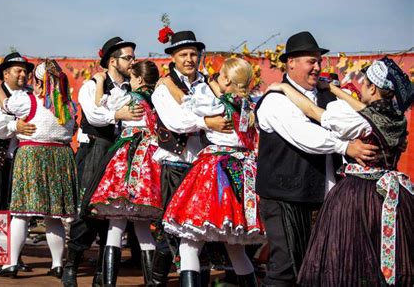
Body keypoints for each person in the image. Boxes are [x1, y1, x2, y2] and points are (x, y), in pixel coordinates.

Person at [269, 58, 413, 286]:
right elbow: (366, 109)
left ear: (372, 88)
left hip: (359, 196)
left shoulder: (359, 121)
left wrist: (284, 88)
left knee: (349, 256)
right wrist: (334, 88)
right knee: (384, 253)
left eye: (364, 85)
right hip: (392, 193)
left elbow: (314, 112)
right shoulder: (395, 117)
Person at [255, 31, 378, 287]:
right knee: (285, 269)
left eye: (319, 61)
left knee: (319, 269)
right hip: (284, 197)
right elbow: (305, 135)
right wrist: (345, 146)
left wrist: (333, 89)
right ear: (291, 62)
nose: (317, 67)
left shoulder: (326, 96)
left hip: (324, 197)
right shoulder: (274, 100)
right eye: (311, 61)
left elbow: (361, 121)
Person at [162, 58, 262, 286]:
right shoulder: (248, 106)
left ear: (226, 78)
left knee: (189, 243)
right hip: (244, 172)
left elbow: (186, 109)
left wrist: (169, 86)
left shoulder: (212, 103)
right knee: (236, 249)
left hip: (217, 170)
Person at [150, 30, 233, 286]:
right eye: (183, 54)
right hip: (177, 164)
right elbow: (176, 121)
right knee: (174, 230)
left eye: (193, 54)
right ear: (173, 57)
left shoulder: (208, 84)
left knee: (203, 230)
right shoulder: (164, 87)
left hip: (206, 167)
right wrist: (207, 122)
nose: (189, 59)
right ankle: (156, 280)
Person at [62, 37, 144, 287]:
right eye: (128, 57)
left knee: (115, 212)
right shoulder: (92, 85)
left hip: (122, 152)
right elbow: (95, 115)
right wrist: (117, 114)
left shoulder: (132, 88)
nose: (133, 62)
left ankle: (102, 274)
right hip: (97, 149)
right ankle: (71, 266)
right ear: (112, 61)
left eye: (133, 57)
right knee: (89, 209)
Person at [0, 59, 77, 278]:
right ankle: (57, 264)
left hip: (32, 156)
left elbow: (5, 104)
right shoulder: (69, 105)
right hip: (61, 158)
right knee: (53, 216)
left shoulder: (28, 101)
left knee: (21, 213)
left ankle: (11, 263)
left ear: (39, 83)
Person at [84, 60, 161, 286]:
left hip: (129, 155)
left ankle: (109, 283)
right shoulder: (158, 99)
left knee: (116, 224)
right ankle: (151, 282)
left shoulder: (128, 97)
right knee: (143, 227)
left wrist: (99, 82)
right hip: (150, 159)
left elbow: (100, 104)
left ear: (137, 79)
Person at [0, 52, 36, 211]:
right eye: (19, 70)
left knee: (13, 204)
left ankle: (11, 235)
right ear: (6, 74)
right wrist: (16, 126)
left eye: (25, 71)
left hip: (18, 158)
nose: (24, 74)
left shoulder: (29, 97)